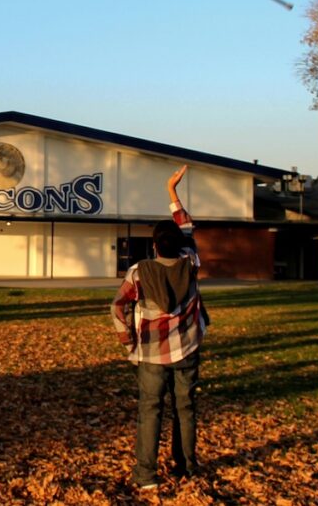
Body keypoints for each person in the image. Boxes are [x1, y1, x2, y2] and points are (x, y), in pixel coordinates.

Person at [111, 165, 208, 492]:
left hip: (151, 353)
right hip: (188, 349)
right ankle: (187, 469)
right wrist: (172, 192)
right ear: (177, 245)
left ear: (154, 245)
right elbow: (188, 228)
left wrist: (129, 341)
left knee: (150, 412)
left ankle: (146, 476)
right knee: (186, 409)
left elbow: (117, 306)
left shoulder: (139, 272)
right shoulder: (191, 263)